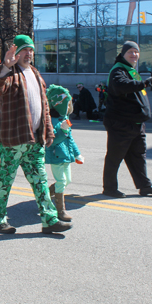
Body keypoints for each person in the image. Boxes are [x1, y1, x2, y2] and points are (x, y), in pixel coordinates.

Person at [0, 35, 72, 234]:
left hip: (34, 140)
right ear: (15, 53)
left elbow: (45, 107)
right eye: (24, 50)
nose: (28, 54)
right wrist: (5, 66)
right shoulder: (10, 73)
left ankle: (49, 219)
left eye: (31, 50)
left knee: (40, 180)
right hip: (12, 140)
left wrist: (48, 131)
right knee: (6, 180)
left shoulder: (35, 73)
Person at [102, 41, 152, 198]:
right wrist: (142, 84)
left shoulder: (131, 70)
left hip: (136, 123)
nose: (134, 55)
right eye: (130, 52)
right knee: (115, 156)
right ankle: (109, 188)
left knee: (138, 156)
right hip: (121, 123)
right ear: (123, 54)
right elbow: (122, 85)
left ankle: (145, 186)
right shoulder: (118, 70)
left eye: (136, 52)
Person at [45, 85, 84, 221]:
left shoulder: (64, 118)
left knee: (68, 180)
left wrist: (77, 154)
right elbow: (53, 140)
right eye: (67, 105)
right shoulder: (51, 119)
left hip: (66, 155)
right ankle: (60, 210)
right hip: (56, 155)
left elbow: (70, 139)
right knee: (61, 181)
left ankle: (46, 194)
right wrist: (64, 130)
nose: (69, 107)